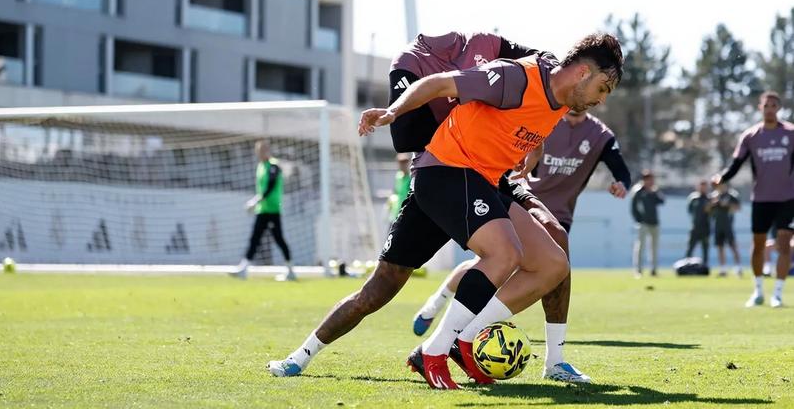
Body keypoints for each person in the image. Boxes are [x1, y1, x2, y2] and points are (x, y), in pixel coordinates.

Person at [267, 33, 623, 390]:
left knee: (553, 264)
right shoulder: (515, 77)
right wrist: (393, 111)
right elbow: (438, 83)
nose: (602, 100)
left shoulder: (561, 95)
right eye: (603, 88)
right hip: (446, 172)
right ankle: (311, 355)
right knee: (384, 287)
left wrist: (535, 145)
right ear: (582, 73)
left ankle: (462, 340)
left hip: (482, 182)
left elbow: (532, 114)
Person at [411, 108, 630, 384]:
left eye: (605, 91)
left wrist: (622, 182)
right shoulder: (548, 103)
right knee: (497, 260)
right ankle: (437, 310)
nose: (600, 96)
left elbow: (619, 164)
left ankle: (553, 360)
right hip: (515, 192)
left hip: (558, 212)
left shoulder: (598, 134)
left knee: (555, 259)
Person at [712, 91, 794, 308]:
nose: (770, 109)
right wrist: (722, 177)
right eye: (766, 105)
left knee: (784, 245)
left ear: (779, 108)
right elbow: (736, 164)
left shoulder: (791, 133)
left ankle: (777, 294)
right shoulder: (751, 136)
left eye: (774, 105)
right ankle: (758, 291)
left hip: (788, 199)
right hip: (761, 199)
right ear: (760, 107)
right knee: (758, 245)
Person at [230, 140, 293, 281]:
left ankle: (290, 270)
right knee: (255, 238)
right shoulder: (260, 166)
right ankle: (244, 268)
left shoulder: (273, 166)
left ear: (267, 151)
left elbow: (270, 186)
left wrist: (256, 200)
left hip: (273, 209)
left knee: (279, 239)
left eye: (262, 150)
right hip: (262, 210)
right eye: (258, 151)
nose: (260, 153)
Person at [630, 170, 665, 277]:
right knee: (640, 246)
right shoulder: (638, 191)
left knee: (654, 247)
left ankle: (653, 270)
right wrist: (638, 219)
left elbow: (661, 201)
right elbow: (633, 207)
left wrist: (655, 191)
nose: (650, 181)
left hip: (654, 222)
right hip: (643, 223)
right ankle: (638, 270)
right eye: (648, 179)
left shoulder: (654, 191)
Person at [710, 182, 742, 277]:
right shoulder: (714, 195)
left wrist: (727, 205)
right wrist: (713, 203)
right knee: (720, 247)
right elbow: (709, 209)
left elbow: (738, 208)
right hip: (717, 224)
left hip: (728, 224)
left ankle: (738, 267)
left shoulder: (731, 195)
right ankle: (723, 268)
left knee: (733, 246)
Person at [685, 180, 712, 265]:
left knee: (705, 248)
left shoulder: (709, 199)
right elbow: (689, 211)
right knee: (690, 247)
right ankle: (686, 265)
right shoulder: (693, 198)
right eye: (701, 186)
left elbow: (712, 213)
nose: (703, 188)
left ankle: (705, 265)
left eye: (704, 186)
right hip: (695, 227)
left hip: (706, 227)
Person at [386, 153, 412, 223]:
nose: (402, 165)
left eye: (404, 162)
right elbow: (396, 192)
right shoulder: (398, 176)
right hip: (396, 213)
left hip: (406, 214)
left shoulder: (411, 178)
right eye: (400, 162)